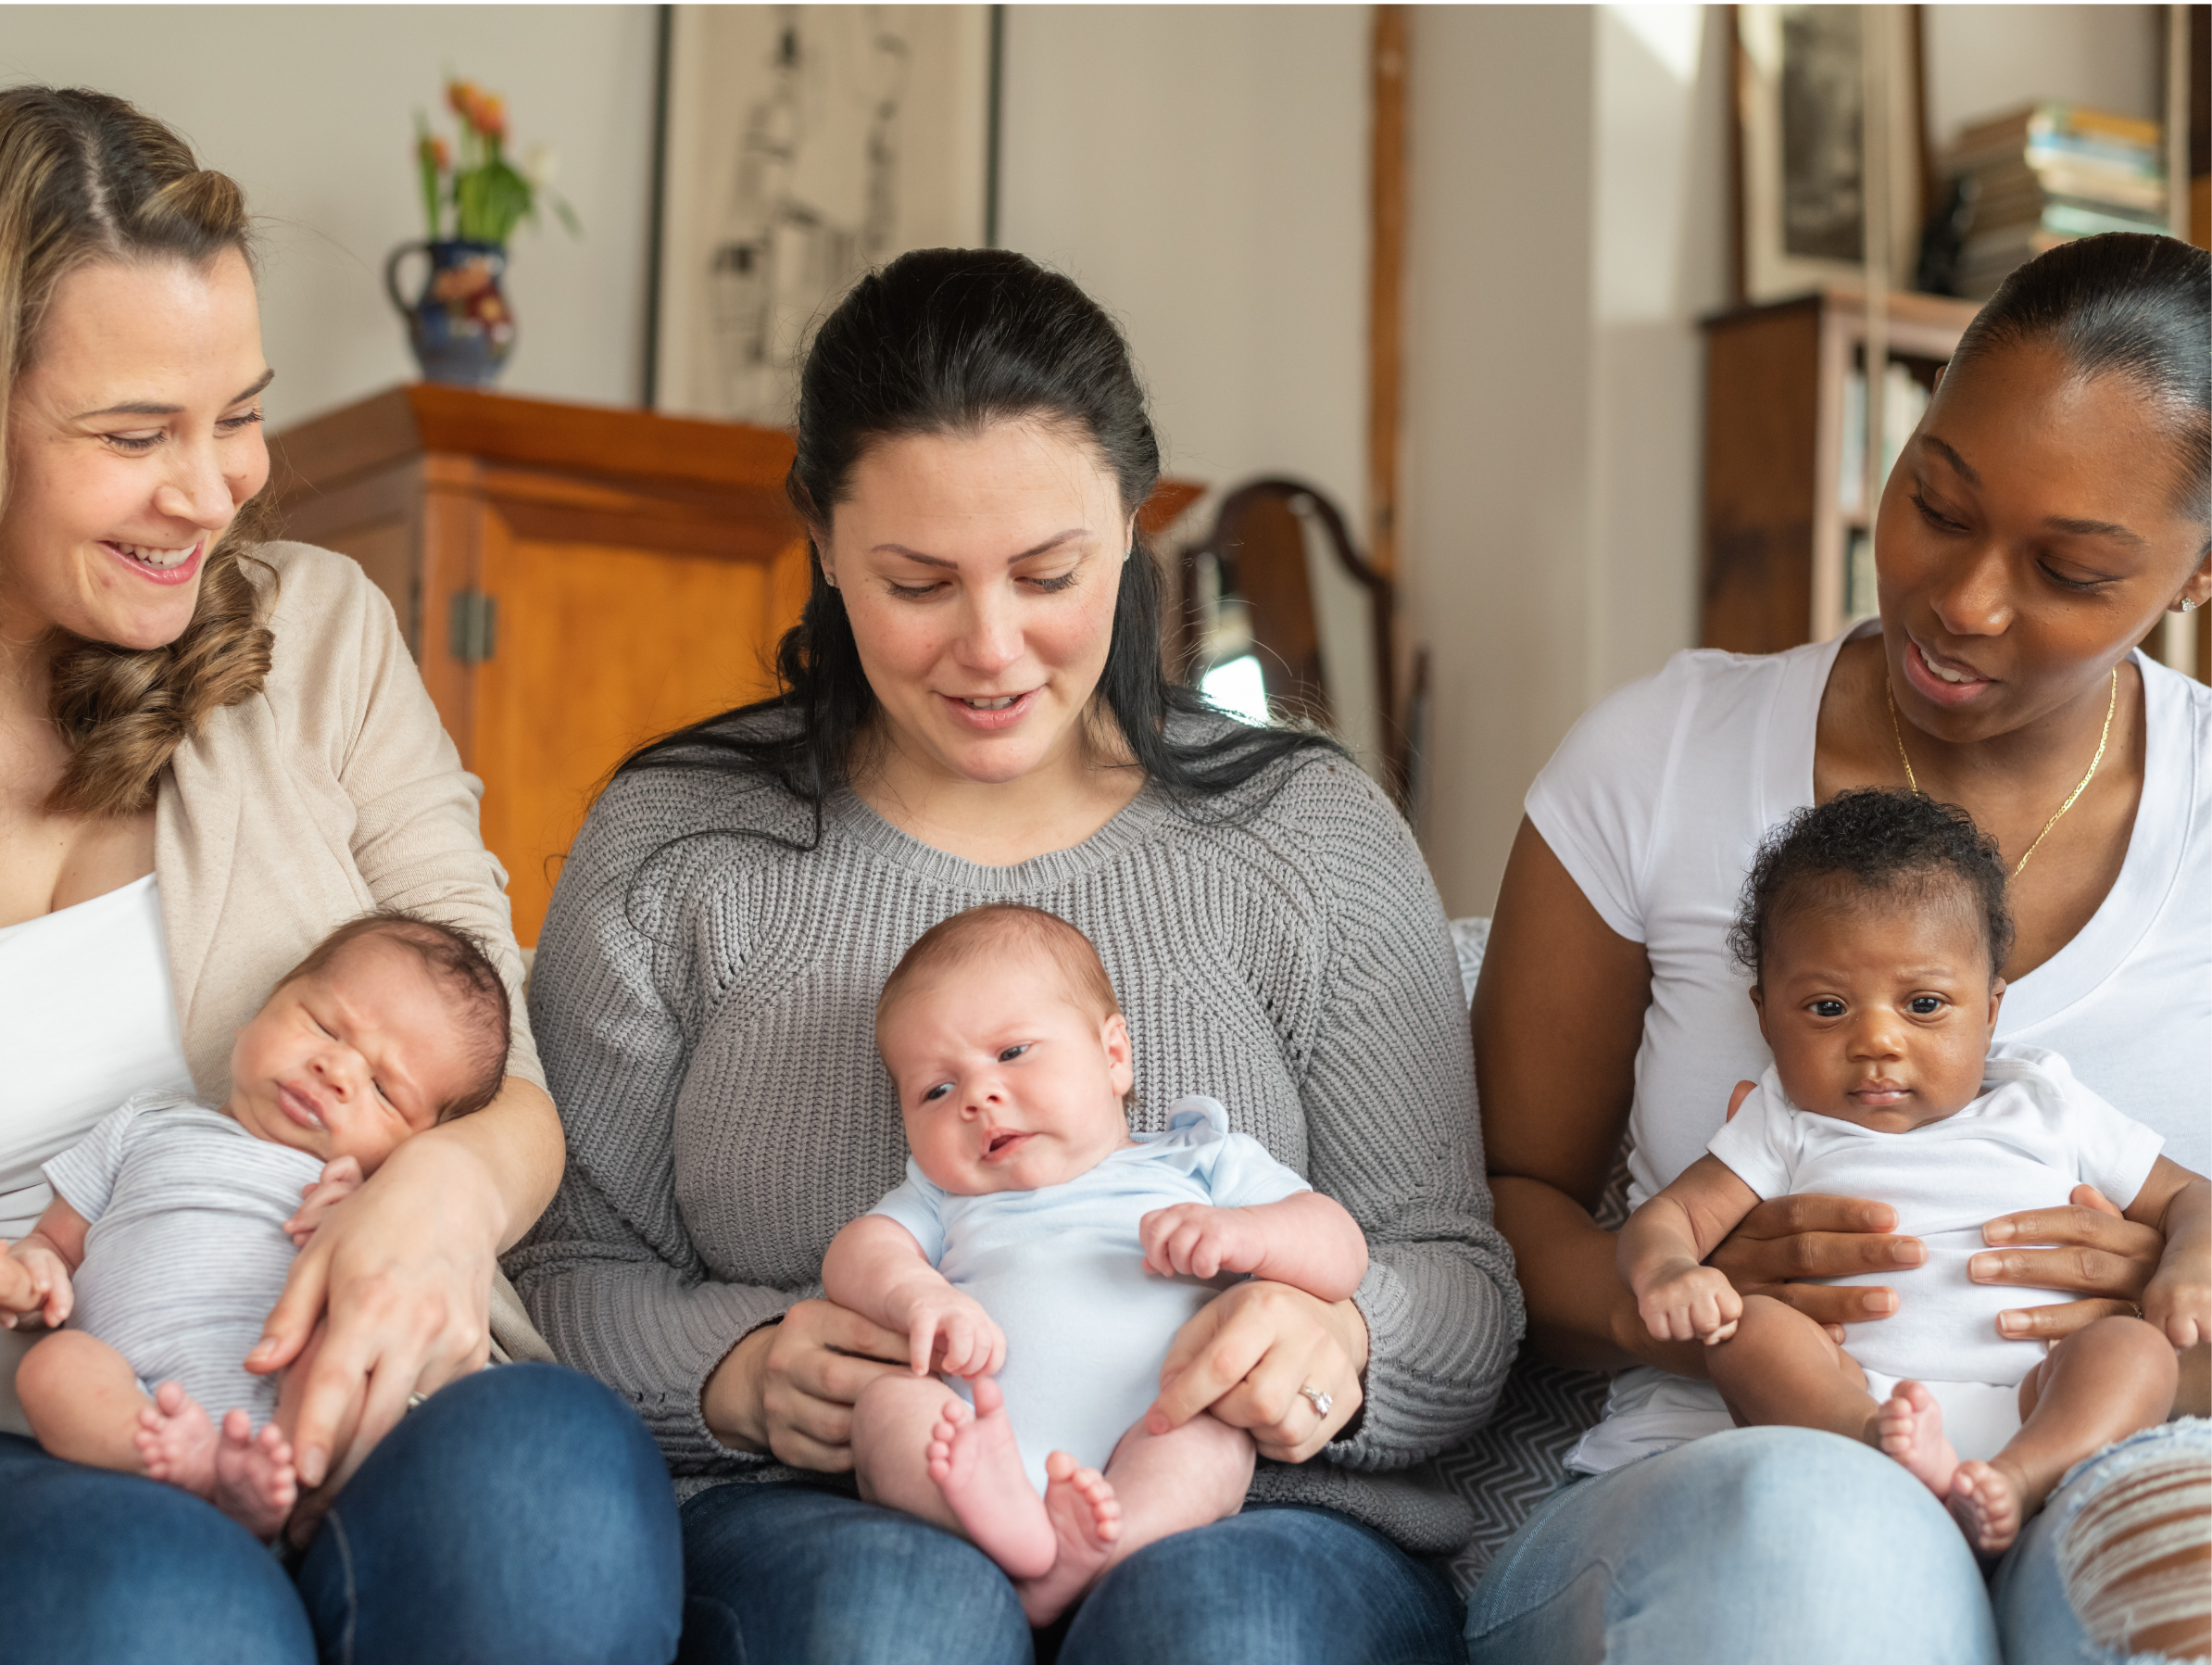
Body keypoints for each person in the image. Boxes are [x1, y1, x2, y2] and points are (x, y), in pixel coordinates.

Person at [509, 246, 1519, 1665]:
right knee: (893, 1618)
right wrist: (732, 1377)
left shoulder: (1305, 830)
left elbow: (1458, 1278)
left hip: (1255, 1529)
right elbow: (552, 1266)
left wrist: (1345, 1352)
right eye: (918, 582)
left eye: (1049, 574)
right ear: (819, 541)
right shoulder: (684, 845)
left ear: (1133, 521)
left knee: (1219, 1630)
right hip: (827, 1519)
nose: (992, 651)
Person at [0, 87, 678, 1663]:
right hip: (47, 1436)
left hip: (372, 1376)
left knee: (554, 1501)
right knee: (161, 1606)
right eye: (132, 434)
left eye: (237, 410)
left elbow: (508, 1066)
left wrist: (437, 1195)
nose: (222, 484)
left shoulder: (316, 639)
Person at [1468, 230, 2211, 1665]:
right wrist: (1687, 1296)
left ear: (2195, 574)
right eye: (1937, 501)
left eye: (2069, 570)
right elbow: (1493, 1215)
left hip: (2104, 1456)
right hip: (1721, 1485)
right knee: (1836, 1556)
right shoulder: (1659, 758)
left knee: (2182, 1574)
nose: (1967, 601)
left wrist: (2168, 1296)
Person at [1621, 789, 2205, 1555]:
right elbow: (1671, 1218)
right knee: (1747, 1330)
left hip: (2042, 1393)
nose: (1877, 1041)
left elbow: (2191, 1195)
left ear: (1991, 1012)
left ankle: (2021, 1479)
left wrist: (2187, 1268)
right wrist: (1669, 1272)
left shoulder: (2045, 1101)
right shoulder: (1785, 1121)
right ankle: (1880, 1451)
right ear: (1765, 1016)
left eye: (1924, 1004)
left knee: (2135, 1353)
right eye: (1828, 1008)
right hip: (1854, 1396)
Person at [824, 904, 1369, 1625]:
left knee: (1211, 1432)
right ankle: (997, 1525)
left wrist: (1244, 1234)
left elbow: (1340, 1246)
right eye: (936, 1090)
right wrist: (918, 1294)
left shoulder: (1195, 1161)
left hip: (1158, 1423)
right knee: (890, 1408)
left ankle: (1102, 1558)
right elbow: (856, 1253)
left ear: (1115, 1055)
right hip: (981, 1436)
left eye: (1012, 1053)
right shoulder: (943, 1196)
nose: (978, 1097)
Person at [0, 913, 516, 1539]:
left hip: (293, 1404)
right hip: (133, 1396)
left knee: (345, 1346)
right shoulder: (143, 1123)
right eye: (324, 1025)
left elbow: (394, 1292)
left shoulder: (369, 1193)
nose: (338, 1069)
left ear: (418, 1141)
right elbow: (56, 1241)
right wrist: (30, 1275)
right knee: (52, 1367)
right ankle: (190, 1468)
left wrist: (345, 1225)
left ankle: (292, 1487)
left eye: (383, 1089)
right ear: (259, 1011)